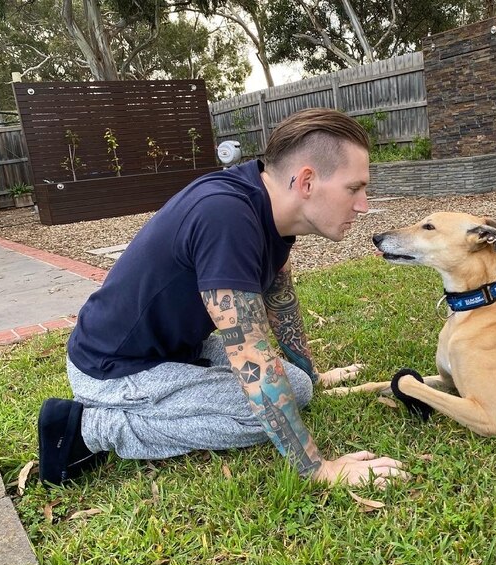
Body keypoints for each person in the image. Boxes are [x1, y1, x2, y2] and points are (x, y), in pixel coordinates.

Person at [38, 108, 407, 488]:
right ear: (307, 182)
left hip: (179, 349)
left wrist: (313, 374)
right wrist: (319, 469)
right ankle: (90, 427)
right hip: (113, 368)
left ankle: (159, 402)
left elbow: (280, 299)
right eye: (354, 188)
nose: (363, 204)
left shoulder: (270, 209)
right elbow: (251, 356)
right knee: (261, 415)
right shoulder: (226, 216)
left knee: (298, 388)